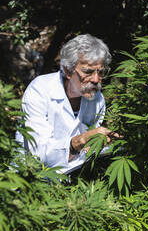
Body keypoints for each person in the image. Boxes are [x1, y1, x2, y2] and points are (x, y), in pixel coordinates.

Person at [16, 34, 118, 174]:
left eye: (101, 72)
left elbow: (87, 151)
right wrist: (77, 142)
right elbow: (37, 153)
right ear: (68, 70)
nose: (96, 79)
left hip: (72, 180)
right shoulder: (40, 90)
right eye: (87, 71)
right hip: (31, 178)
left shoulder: (97, 99)